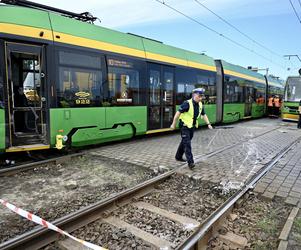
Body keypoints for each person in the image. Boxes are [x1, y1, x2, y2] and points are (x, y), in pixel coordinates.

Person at [170, 88, 213, 169]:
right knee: (187, 144)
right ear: (194, 95)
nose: (201, 98)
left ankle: (178, 156)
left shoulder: (200, 104)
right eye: (199, 96)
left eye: (201, 96)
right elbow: (177, 113)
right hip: (184, 126)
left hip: (192, 126)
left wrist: (208, 124)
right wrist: (173, 124)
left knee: (184, 142)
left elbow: (204, 115)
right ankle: (191, 162)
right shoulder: (187, 103)